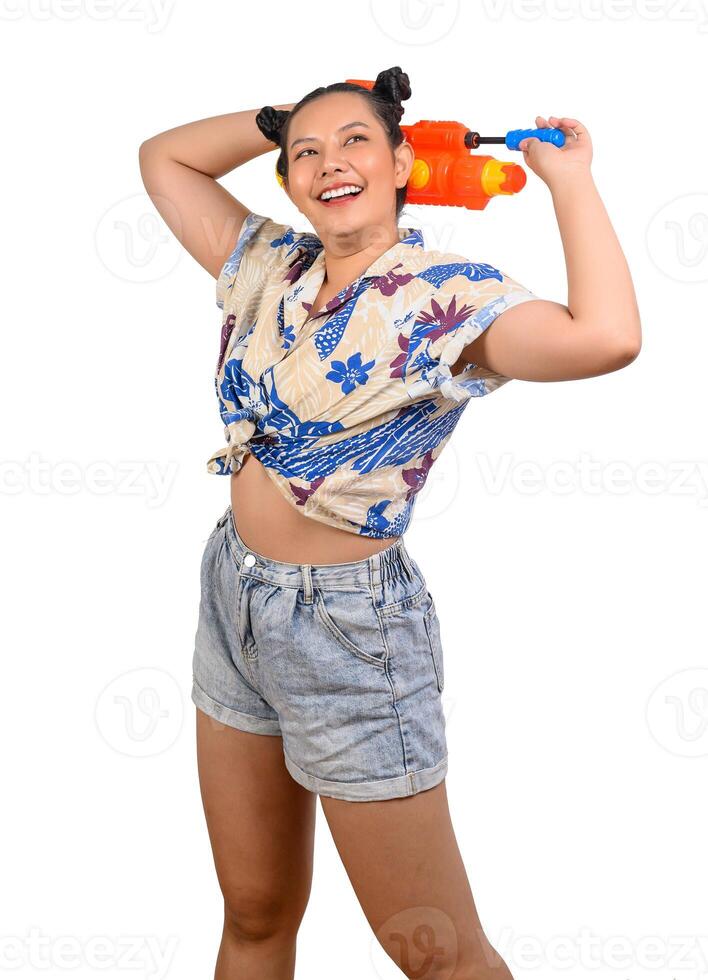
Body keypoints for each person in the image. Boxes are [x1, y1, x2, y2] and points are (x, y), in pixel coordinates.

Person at [139, 67, 641, 980]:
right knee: (254, 912)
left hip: (349, 634)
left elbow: (605, 338)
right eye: (306, 152)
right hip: (235, 599)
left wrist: (572, 182)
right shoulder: (271, 267)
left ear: (406, 161)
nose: (330, 163)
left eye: (356, 141)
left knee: (438, 955)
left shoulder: (448, 297)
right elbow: (164, 159)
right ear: (287, 178)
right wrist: (275, 115)